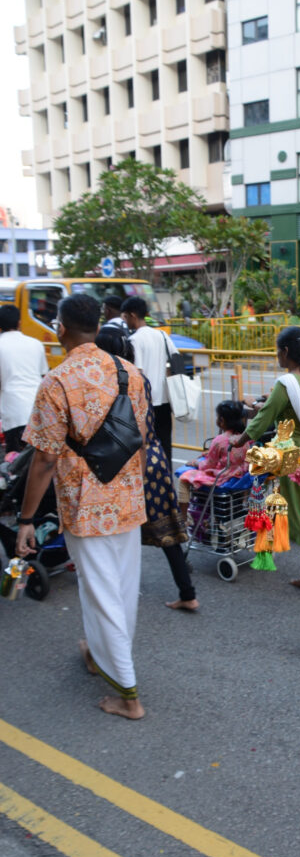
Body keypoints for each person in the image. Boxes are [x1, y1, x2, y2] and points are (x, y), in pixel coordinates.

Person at [16, 294, 148, 719]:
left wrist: (26, 519)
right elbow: (139, 441)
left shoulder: (57, 382)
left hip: (84, 503)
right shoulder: (131, 373)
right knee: (121, 589)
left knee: (101, 590)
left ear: (61, 328)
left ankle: (128, 696)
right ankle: (97, 652)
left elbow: (44, 459)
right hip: (127, 499)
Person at [95, 328, 198, 613]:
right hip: (154, 458)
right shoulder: (140, 377)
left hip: (123, 462)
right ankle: (188, 593)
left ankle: (114, 598)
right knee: (168, 529)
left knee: (115, 533)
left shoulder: (102, 380)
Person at [231, 326, 300, 588]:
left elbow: (263, 419)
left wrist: (238, 441)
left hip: (295, 456)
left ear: (285, 352)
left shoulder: (286, 382)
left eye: (277, 351)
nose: (277, 355)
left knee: (299, 519)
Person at [120, 296, 178, 465]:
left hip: (146, 401)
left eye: (125, 317)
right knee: (165, 442)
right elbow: (175, 360)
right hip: (165, 399)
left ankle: (151, 482)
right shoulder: (161, 334)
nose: (125, 321)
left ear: (132, 315)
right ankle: (166, 478)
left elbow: (137, 372)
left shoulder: (134, 340)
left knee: (146, 444)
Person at [177, 400, 252, 523]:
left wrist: (195, 463)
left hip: (222, 478)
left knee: (183, 479)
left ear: (221, 420)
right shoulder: (244, 438)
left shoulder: (219, 440)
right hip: (238, 476)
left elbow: (207, 465)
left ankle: (183, 519)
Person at [0, 304, 48, 452]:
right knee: (35, 459)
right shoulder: (36, 344)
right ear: (19, 323)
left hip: (13, 411)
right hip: (38, 409)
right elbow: (43, 376)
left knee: (14, 461)